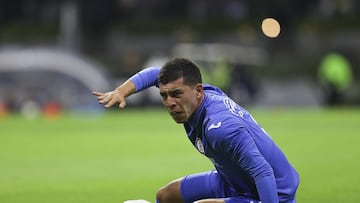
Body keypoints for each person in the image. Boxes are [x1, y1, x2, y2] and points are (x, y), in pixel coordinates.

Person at [93, 58, 299, 203]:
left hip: (272, 191)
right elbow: (153, 74)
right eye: (164, 95)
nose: (169, 102)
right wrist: (120, 92)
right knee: (166, 196)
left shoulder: (219, 128)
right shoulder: (196, 93)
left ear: (198, 91)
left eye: (176, 94)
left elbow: (263, 172)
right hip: (233, 179)